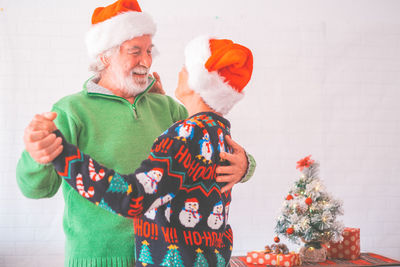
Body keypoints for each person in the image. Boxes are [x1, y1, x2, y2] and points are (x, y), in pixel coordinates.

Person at [16, 0, 256, 266]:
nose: (146, 60)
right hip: (98, 260)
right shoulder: (71, 111)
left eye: (149, 50)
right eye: (135, 51)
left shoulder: (169, 108)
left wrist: (246, 165)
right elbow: (36, 189)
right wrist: (37, 154)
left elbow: (208, 142)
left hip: (162, 257)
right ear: (105, 55)